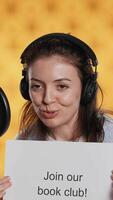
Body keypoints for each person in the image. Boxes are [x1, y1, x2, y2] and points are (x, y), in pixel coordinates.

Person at [0, 32, 113, 199]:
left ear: (86, 89)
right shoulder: (23, 145)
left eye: (61, 86)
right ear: (26, 89)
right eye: (36, 86)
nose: (47, 99)